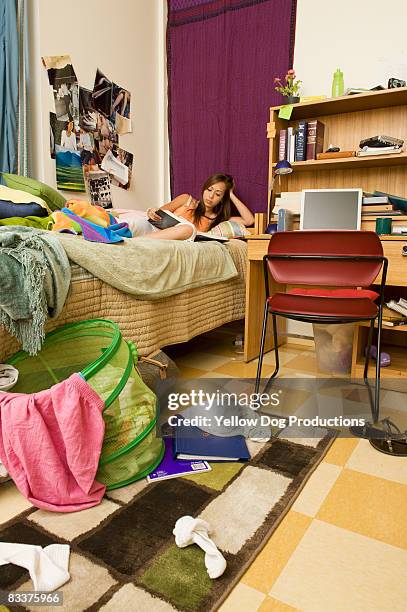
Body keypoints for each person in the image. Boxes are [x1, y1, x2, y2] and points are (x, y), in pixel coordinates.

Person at [122, 173, 254, 240]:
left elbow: (249, 221)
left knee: (188, 229)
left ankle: (137, 242)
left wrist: (231, 194)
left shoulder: (218, 219)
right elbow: (159, 212)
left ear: (222, 199)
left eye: (218, 194)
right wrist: (152, 211)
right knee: (134, 222)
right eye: (209, 190)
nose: (211, 196)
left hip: (173, 238)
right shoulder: (186, 199)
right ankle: (108, 234)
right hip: (155, 230)